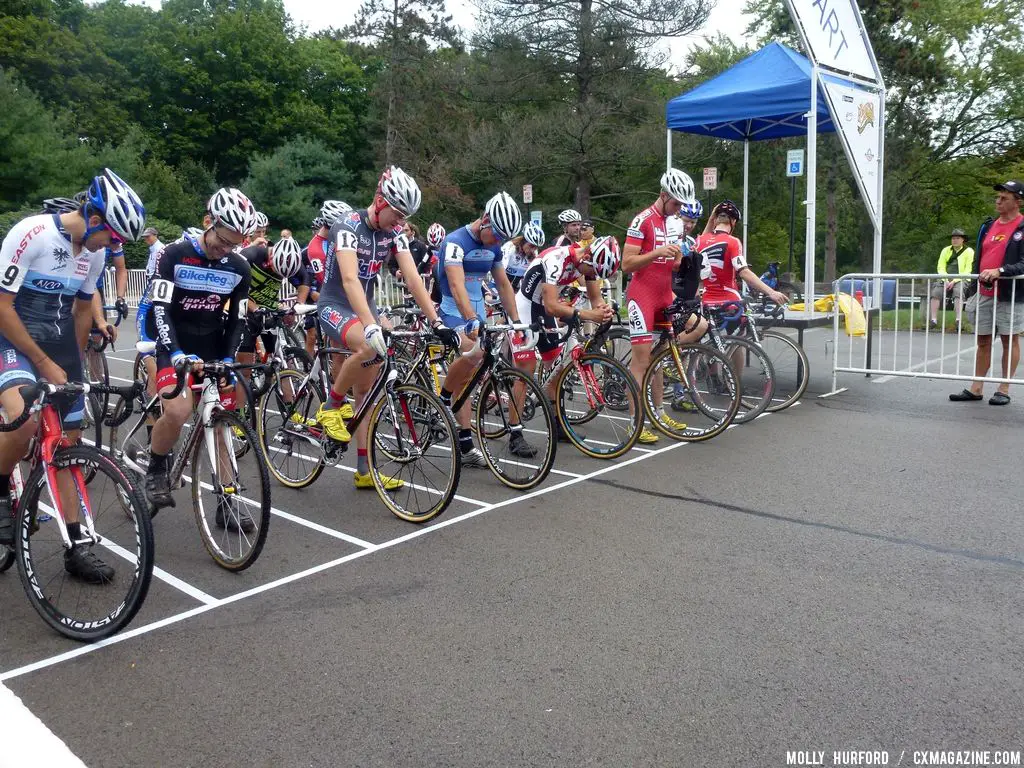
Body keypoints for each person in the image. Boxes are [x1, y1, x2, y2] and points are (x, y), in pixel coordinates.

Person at [0, 169, 145, 581]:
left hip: (58, 343)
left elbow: (82, 311)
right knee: (24, 419)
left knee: (67, 446)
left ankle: (76, 545)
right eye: (114, 238)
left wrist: (74, 364)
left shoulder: (94, 254)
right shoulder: (32, 233)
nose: (115, 249)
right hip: (9, 338)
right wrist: (43, 364)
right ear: (95, 218)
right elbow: (2, 307)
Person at [315, 167, 458, 489]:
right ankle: (330, 407)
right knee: (367, 347)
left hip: (365, 309)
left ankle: (365, 470)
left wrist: (437, 321)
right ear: (379, 201)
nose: (400, 222)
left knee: (366, 393)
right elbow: (350, 279)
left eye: (405, 217)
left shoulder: (394, 234)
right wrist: (370, 325)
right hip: (336, 306)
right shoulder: (348, 226)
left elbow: (412, 279)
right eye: (397, 214)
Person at [144, 188, 256, 519]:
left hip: (212, 344)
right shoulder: (173, 254)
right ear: (208, 222)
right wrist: (175, 351)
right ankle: (156, 465)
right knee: (178, 411)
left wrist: (227, 359)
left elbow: (237, 320)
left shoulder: (238, 267)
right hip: (173, 341)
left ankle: (228, 500)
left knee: (220, 423)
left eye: (234, 244)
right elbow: (161, 309)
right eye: (222, 240)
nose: (226, 249)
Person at [434, 192, 524, 467]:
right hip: (453, 309)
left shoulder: (495, 247)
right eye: (495, 235)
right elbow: (457, 287)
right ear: (484, 220)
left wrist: (517, 320)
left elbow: (504, 284)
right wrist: (470, 318)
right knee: (471, 356)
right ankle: (444, 400)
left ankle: (464, 442)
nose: (497, 243)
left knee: (472, 375)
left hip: (477, 311)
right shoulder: (455, 242)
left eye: (502, 239)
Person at [622, 169, 709, 444]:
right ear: (663, 195)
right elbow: (627, 264)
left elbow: (669, 265)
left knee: (663, 354)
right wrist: (658, 252)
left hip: (664, 294)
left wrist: (681, 259)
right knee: (641, 361)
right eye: (675, 204)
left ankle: (658, 413)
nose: (678, 210)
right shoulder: (642, 220)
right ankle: (634, 423)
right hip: (642, 295)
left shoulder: (673, 224)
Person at [512, 236, 619, 451]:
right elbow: (552, 306)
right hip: (525, 307)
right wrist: (588, 314)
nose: (592, 275)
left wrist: (603, 309)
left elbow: (595, 297)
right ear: (587, 256)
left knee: (558, 369)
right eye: (592, 270)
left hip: (542, 307)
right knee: (526, 370)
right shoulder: (556, 259)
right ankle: (515, 434)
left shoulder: (589, 264)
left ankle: (558, 424)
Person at [950, 181, 1024, 405]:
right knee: (983, 341)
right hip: (984, 292)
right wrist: (973, 287)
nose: (998, 201)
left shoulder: (1022, 227)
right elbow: (978, 259)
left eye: (1004, 198)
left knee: (1008, 340)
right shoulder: (988, 225)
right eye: (998, 197)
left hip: (1009, 294)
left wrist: (1000, 271)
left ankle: (1004, 388)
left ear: (1017, 201)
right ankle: (976, 387)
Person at [697, 200, 787, 308]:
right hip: (730, 302)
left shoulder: (699, 241)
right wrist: (771, 292)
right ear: (733, 221)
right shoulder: (732, 242)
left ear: (715, 220)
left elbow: (703, 239)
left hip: (706, 303)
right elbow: (744, 272)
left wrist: (712, 218)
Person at [930, 228, 973, 328]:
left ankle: (958, 320)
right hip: (945, 278)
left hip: (962, 278)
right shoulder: (945, 250)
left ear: (963, 240)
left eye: (957, 238)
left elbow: (968, 269)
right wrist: (945, 280)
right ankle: (933, 320)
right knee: (935, 292)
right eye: (953, 238)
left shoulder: (969, 251)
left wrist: (954, 281)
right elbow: (940, 267)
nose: (955, 240)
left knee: (958, 292)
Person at [500, 221, 545, 292]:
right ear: (523, 241)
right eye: (531, 246)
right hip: (502, 281)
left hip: (517, 284)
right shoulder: (509, 247)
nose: (533, 250)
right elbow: (500, 271)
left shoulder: (534, 252)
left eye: (536, 247)